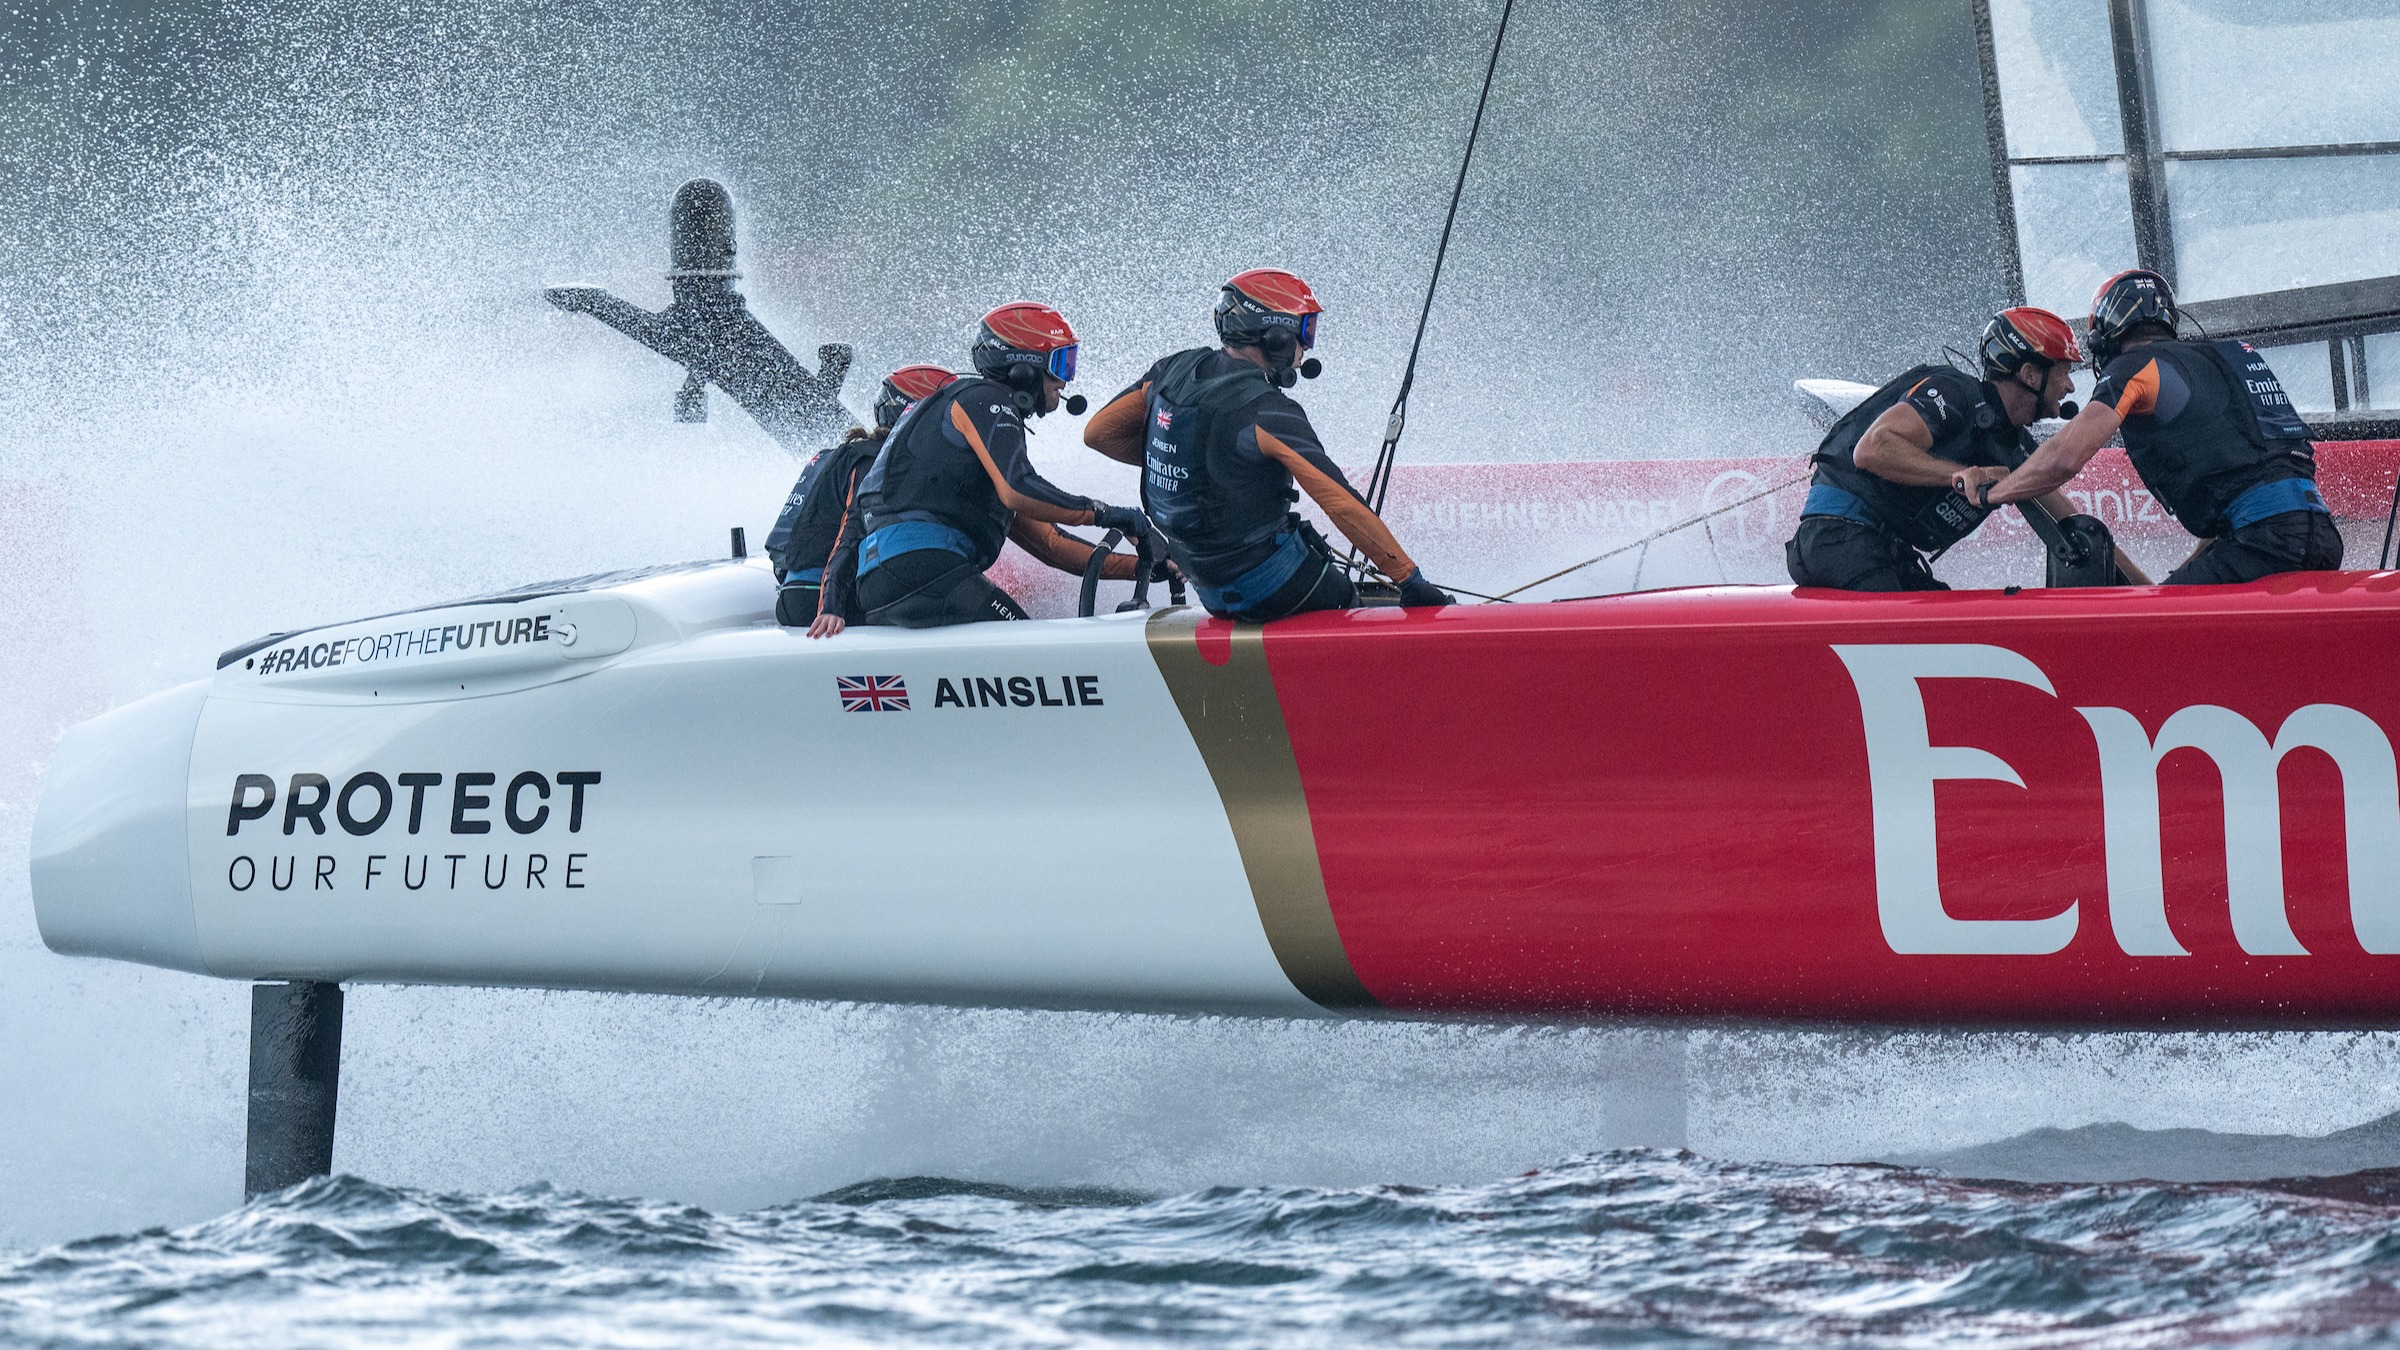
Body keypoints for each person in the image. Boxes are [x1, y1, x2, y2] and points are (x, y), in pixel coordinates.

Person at [1083, 268, 1454, 620]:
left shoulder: (1170, 369)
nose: (1306, 348)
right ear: (1275, 336)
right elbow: (1341, 503)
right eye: (1305, 331)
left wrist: (1202, 465)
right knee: (1351, 599)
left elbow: (1098, 433)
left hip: (1206, 587)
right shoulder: (1269, 410)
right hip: (1269, 588)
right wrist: (1411, 581)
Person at [1952, 269, 2339, 585]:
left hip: (2261, 544)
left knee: (2146, 650)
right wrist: (2191, 568)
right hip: (2320, 536)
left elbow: (2064, 459)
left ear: (2106, 338)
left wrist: (1996, 493)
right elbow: (2247, 477)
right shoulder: (2235, 354)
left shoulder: (2137, 365)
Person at [809, 302, 1149, 636]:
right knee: (1039, 653)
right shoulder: (985, 399)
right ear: (1025, 369)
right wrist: (1107, 513)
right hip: (926, 571)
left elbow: (1051, 546)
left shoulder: (955, 440)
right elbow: (1018, 489)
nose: (1065, 382)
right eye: (1061, 364)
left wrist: (1144, 568)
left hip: (883, 582)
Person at [1786, 306, 2128, 590]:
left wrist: (2152, 590)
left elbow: (2069, 520)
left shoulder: (2013, 450)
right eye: (2064, 373)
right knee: (1923, 642)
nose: (2069, 386)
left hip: (1881, 549)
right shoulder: (1953, 393)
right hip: (1834, 536)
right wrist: (1961, 474)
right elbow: (1873, 449)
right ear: (2029, 374)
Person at [767, 363, 956, 627]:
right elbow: (850, 533)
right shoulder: (873, 462)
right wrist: (830, 606)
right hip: (818, 600)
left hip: (799, 592)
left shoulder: (853, 454)